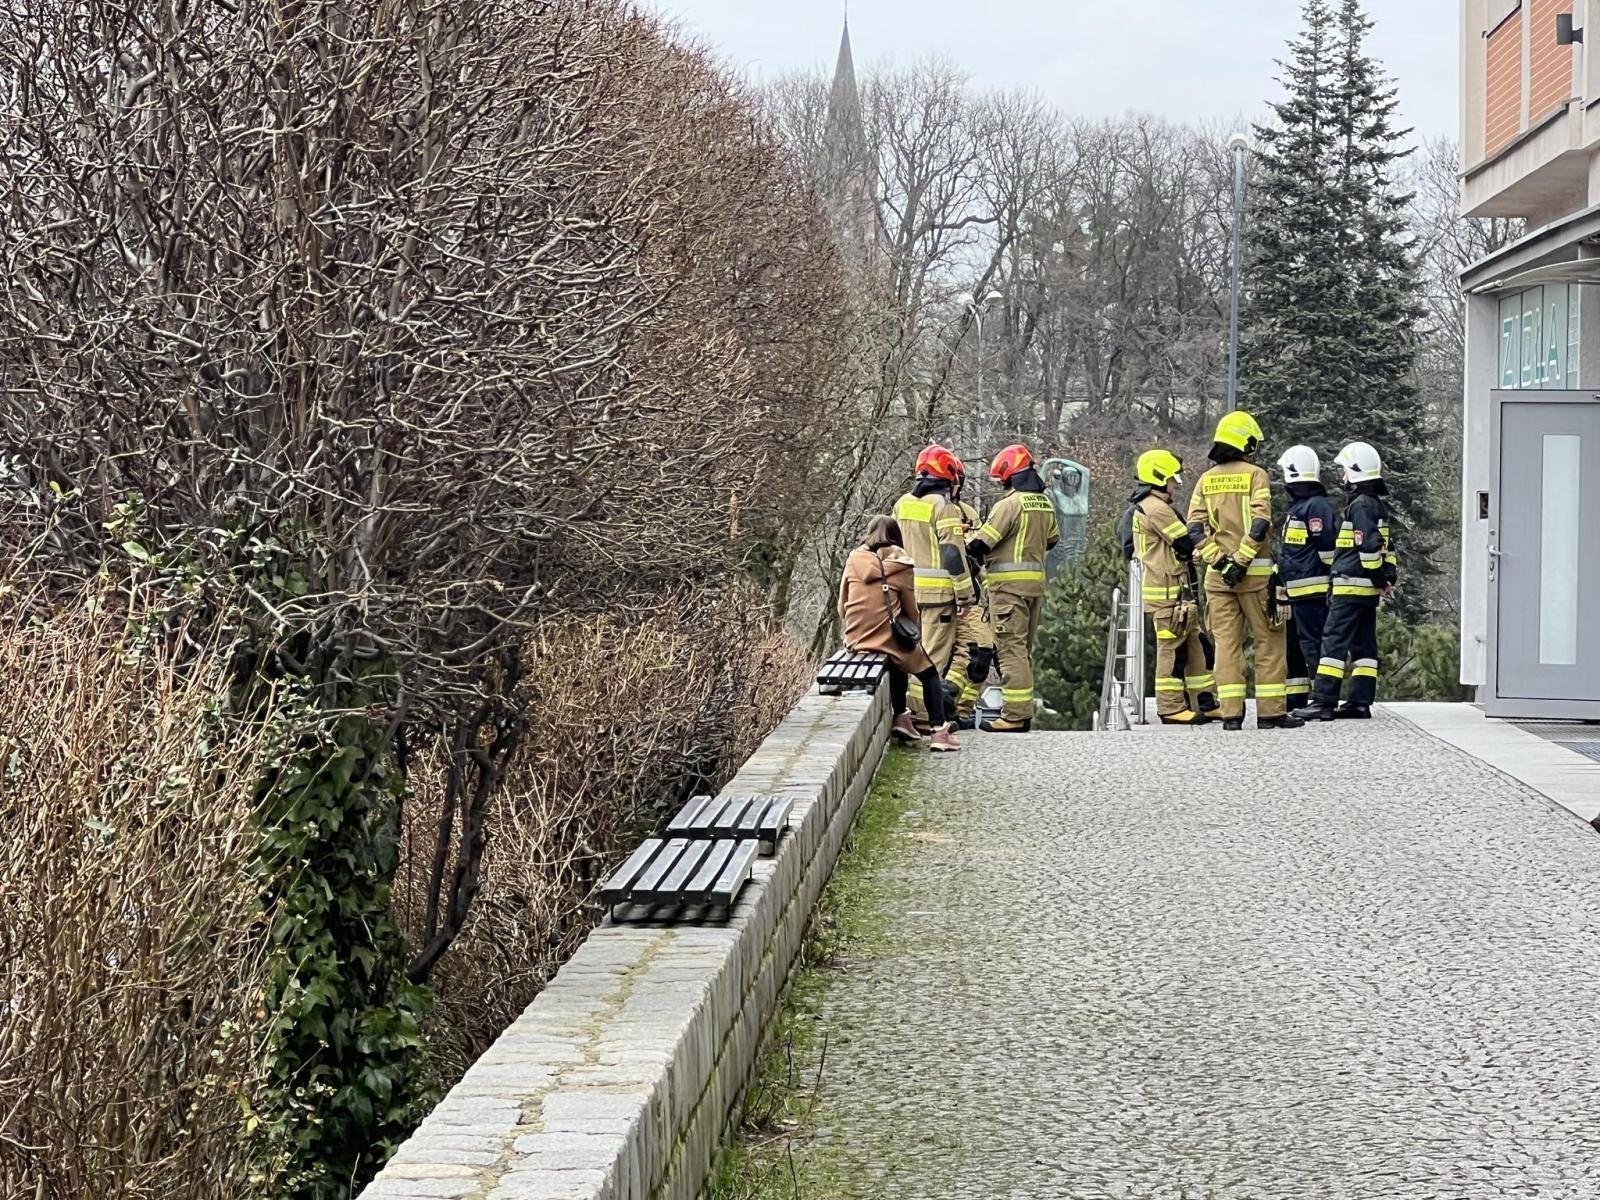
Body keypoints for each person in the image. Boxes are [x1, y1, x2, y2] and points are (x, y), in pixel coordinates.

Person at [1186, 411, 1304, 731]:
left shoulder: (1206, 479)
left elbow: (1194, 527)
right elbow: (1261, 522)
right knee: (1269, 641)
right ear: (1246, 443)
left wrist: (1219, 561)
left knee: (1226, 646)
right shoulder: (1256, 475)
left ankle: (1231, 715)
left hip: (1217, 579)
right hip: (1255, 578)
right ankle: (1270, 713)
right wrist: (1240, 560)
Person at [839, 516, 960, 751]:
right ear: (897, 538)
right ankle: (938, 732)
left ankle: (901, 717)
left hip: (855, 637)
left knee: (898, 662)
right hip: (887, 637)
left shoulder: (854, 559)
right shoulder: (903, 567)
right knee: (929, 673)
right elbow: (911, 612)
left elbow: (841, 606)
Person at [1295, 442, 1396, 721]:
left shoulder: (1360, 506)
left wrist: (1378, 577)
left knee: (1333, 643)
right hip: (1366, 590)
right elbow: (1388, 549)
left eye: (1344, 471)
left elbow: (1368, 548)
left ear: (1355, 472)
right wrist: (1386, 579)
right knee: (1364, 647)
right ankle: (1360, 701)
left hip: (1350, 585)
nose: (1342, 477)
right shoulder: (1377, 506)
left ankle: (1324, 702)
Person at [967, 444, 1059, 733]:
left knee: (1010, 650)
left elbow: (981, 544)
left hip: (1008, 590)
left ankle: (1015, 716)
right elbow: (1053, 540)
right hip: (1034, 587)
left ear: (1010, 477)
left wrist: (968, 535)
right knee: (1023, 650)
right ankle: (1020, 712)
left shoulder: (1009, 504)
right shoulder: (1045, 503)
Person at [1127, 449, 1217, 725]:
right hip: (1167, 593)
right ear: (1159, 478)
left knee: (1196, 648)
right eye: (1172, 480)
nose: (1176, 484)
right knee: (1172, 650)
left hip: (1176, 592)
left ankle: (1205, 701)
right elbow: (1185, 542)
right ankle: (1169, 708)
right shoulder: (1156, 508)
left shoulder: (1155, 505)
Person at [893, 445, 976, 727]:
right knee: (932, 658)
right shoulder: (944, 508)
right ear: (948, 478)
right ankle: (924, 716)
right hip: (939, 596)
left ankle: (910, 712)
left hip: (907, 593)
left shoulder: (902, 503)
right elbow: (952, 554)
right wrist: (965, 596)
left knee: (912, 651)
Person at [1275, 445, 1338, 712]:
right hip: (1297, 593)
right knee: (1297, 647)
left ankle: (1324, 699)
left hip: (1313, 592)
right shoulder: (1300, 507)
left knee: (1313, 645)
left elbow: (1328, 550)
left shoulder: (1316, 507)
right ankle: (1298, 697)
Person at [942, 462, 996, 730]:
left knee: (980, 652)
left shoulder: (967, 513)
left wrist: (989, 591)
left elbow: (979, 557)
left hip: (969, 595)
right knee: (942, 656)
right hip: (937, 596)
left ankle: (960, 709)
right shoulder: (927, 510)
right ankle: (941, 707)